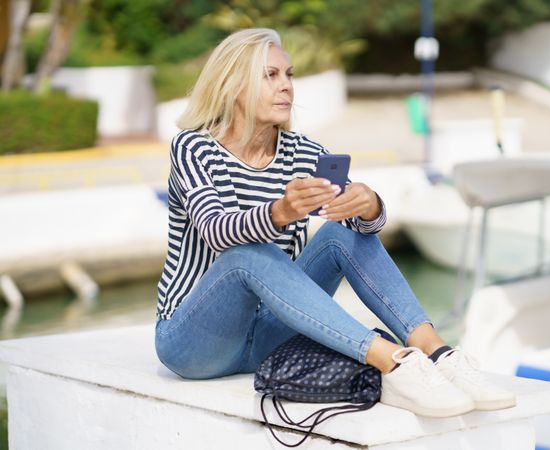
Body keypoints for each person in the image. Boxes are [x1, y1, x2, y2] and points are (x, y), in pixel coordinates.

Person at [154, 28, 515, 417]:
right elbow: (215, 230)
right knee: (249, 254)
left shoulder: (304, 152)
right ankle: (392, 360)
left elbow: (361, 234)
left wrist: (369, 207)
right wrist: (281, 212)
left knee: (341, 232)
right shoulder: (193, 147)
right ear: (233, 86)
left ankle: (437, 353)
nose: (286, 87)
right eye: (270, 75)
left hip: (273, 336)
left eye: (289, 75)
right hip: (195, 341)